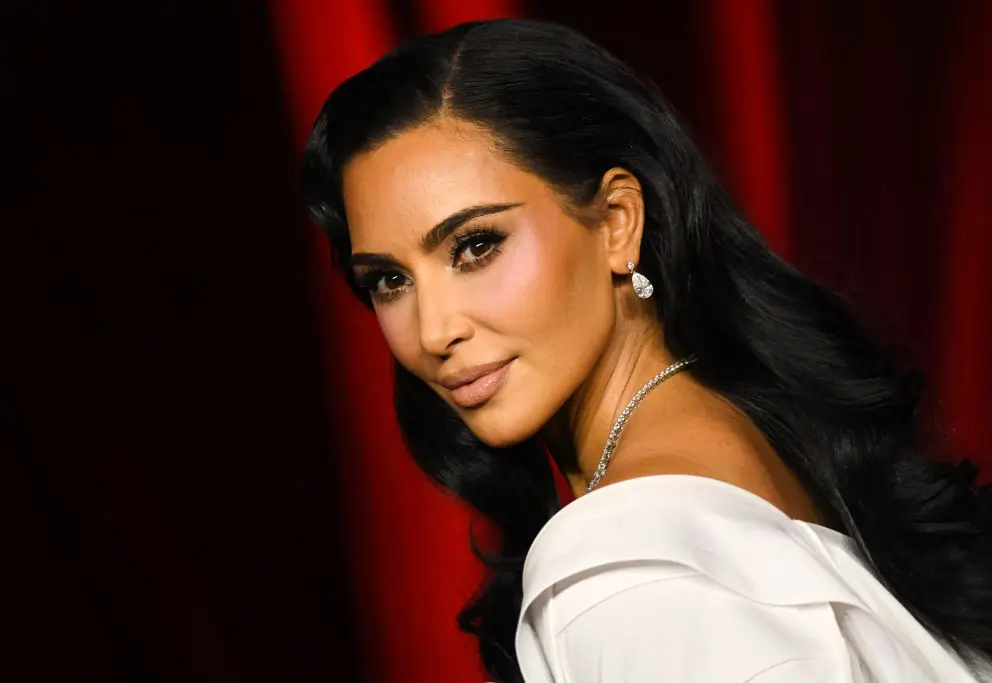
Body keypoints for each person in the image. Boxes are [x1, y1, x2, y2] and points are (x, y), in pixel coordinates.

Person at [301, 18, 992, 683]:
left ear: (616, 223)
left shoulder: (626, 567)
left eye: (476, 246)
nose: (432, 331)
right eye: (389, 280)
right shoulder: (771, 439)